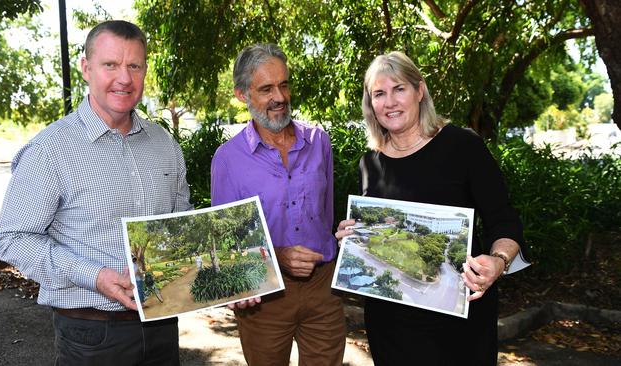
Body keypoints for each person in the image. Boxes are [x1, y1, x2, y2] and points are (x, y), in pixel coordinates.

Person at [0, 20, 192, 365]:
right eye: (110, 65)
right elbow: (12, 238)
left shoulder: (165, 145)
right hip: (91, 335)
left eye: (134, 66)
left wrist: (227, 280)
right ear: (86, 68)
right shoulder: (51, 149)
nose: (125, 78)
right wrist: (95, 276)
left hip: (162, 325)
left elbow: (181, 226)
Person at [335, 51, 525, 365]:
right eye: (379, 94)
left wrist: (498, 261)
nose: (390, 102)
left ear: (420, 91)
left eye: (399, 89)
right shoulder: (368, 163)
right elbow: (372, 226)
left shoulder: (463, 147)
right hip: (390, 326)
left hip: (458, 326)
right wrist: (351, 237)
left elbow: (505, 221)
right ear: (371, 104)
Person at [211, 43, 346, 365]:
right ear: (242, 95)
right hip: (265, 295)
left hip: (323, 287)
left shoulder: (319, 141)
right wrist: (277, 256)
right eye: (266, 88)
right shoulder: (228, 159)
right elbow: (227, 242)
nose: (280, 97)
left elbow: (326, 215)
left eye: (284, 84)